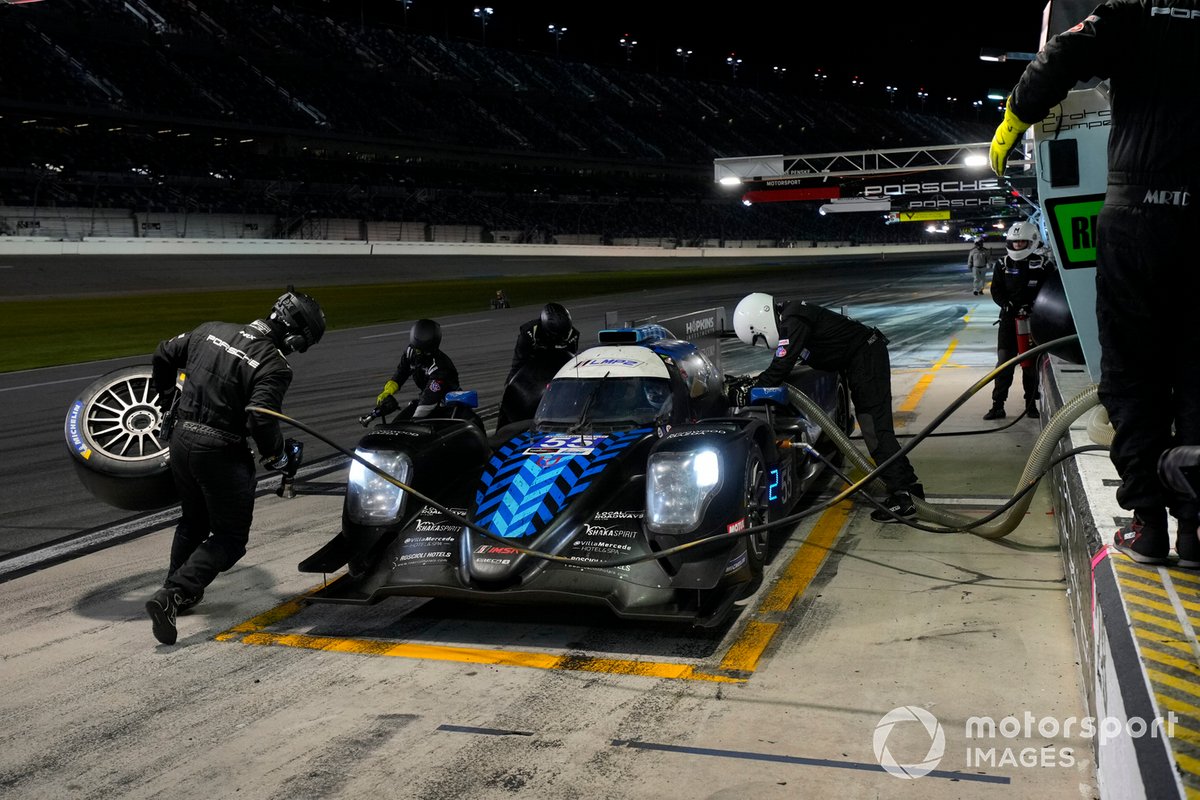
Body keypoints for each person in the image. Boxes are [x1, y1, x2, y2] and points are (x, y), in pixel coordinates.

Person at [988, 0, 1200, 565]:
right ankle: (1197, 529)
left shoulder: (1134, 16)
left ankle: (1148, 525)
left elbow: (1063, 53)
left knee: (1132, 374)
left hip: (1136, 215)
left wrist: (1015, 116)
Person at [145, 287, 325, 645]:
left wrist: (167, 399)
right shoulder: (275, 365)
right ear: (294, 335)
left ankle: (176, 590)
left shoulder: (210, 329)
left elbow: (163, 353)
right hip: (221, 450)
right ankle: (173, 595)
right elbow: (259, 417)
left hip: (181, 440)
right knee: (230, 537)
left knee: (193, 519)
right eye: (301, 343)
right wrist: (277, 456)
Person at [732, 293, 924, 522]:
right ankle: (908, 489)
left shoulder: (793, 319)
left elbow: (781, 365)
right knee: (875, 430)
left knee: (875, 430)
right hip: (864, 359)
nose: (763, 344)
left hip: (866, 359)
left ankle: (904, 497)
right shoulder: (794, 316)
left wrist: (751, 392)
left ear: (760, 321)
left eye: (759, 338)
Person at [983, 221, 1053, 421]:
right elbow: (996, 289)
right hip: (1008, 322)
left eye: (1021, 242)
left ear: (1032, 241)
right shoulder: (1002, 263)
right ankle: (998, 406)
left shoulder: (1043, 265)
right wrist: (1006, 305)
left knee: (1030, 366)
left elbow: (1051, 290)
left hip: (1033, 322)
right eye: (1014, 242)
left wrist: (1036, 307)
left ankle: (1031, 406)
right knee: (1004, 364)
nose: (1017, 246)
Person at [496, 302, 580, 428]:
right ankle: (503, 425)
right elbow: (519, 362)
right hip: (533, 367)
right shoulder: (529, 332)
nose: (559, 338)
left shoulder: (573, 335)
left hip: (557, 365)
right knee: (509, 390)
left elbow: (571, 361)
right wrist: (511, 387)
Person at [375, 318, 461, 419]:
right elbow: (401, 373)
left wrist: (415, 419)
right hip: (425, 399)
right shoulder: (411, 353)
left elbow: (430, 396)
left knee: (416, 428)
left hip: (447, 406)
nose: (416, 353)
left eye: (420, 351)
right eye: (416, 349)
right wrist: (387, 391)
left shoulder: (440, 366)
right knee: (398, 422)